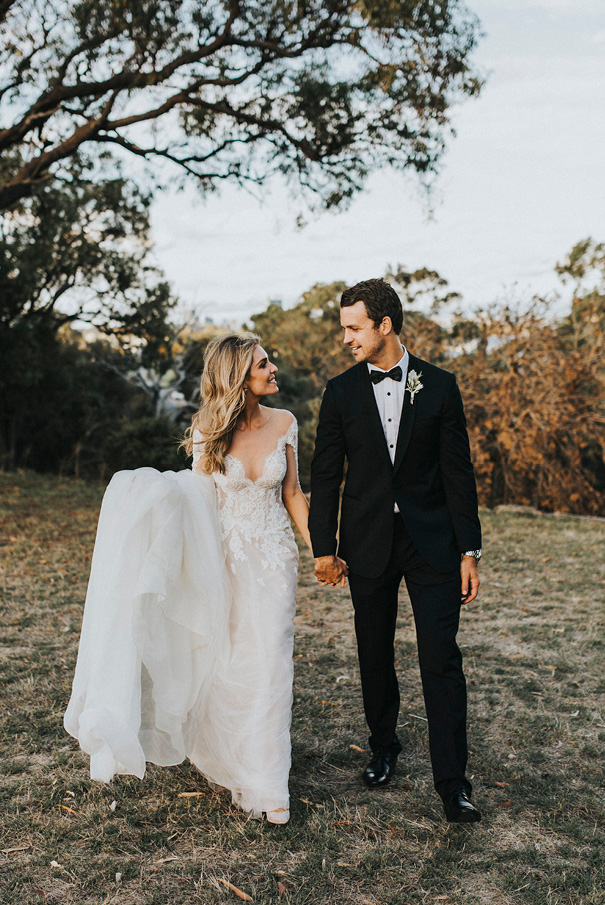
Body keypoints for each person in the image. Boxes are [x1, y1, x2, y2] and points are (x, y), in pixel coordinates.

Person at [65, 332, 319, 825]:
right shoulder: (208, 429)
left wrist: (321, 551)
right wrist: (149, 498)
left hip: (274, 558)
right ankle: (230, 756)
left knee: (271, 661)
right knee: (229, 660)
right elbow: (195, 498)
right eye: (263, 364)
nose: (273, 369)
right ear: (237, 377)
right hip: (221, 558)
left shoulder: (286, 422)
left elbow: (292, 492)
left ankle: (269, 784)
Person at [308, 279, 483, 823]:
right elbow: (325, 475)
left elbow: (458, 472)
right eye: (344, 328)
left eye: (354, 328)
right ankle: (383, 746)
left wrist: (470, 551)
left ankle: (453, 783)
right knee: (374, 651)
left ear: (385, 325)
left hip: (433, 543)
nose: (346, 338)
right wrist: (323, 548)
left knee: (440, 659)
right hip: (367, 542)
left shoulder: (440, 386)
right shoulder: (340, 392)